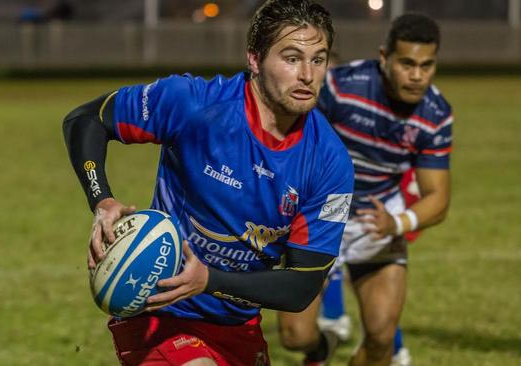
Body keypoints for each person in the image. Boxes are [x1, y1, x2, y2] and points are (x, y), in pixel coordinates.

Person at [62, 1, 354, 365]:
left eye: (319, 59)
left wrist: (209, 280)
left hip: (238, 324)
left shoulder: (330, 163)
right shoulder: (195, 105)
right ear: (255, 60)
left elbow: (302, 287)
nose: (307, 75)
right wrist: (102, 200)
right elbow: (86, 121)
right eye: (292, 58)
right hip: (160, 313)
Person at [278, 13, 452, 366]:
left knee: (382, 337)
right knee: (295, 337)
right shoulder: (340, 87)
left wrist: (397, 223)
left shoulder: (435, 114)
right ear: (384, 57)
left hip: (377, 223)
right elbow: (292, 140)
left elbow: (438, 198)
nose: (417, 76)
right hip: (321, 218)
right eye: (407, 63)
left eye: (426, 65)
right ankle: (321, 347)